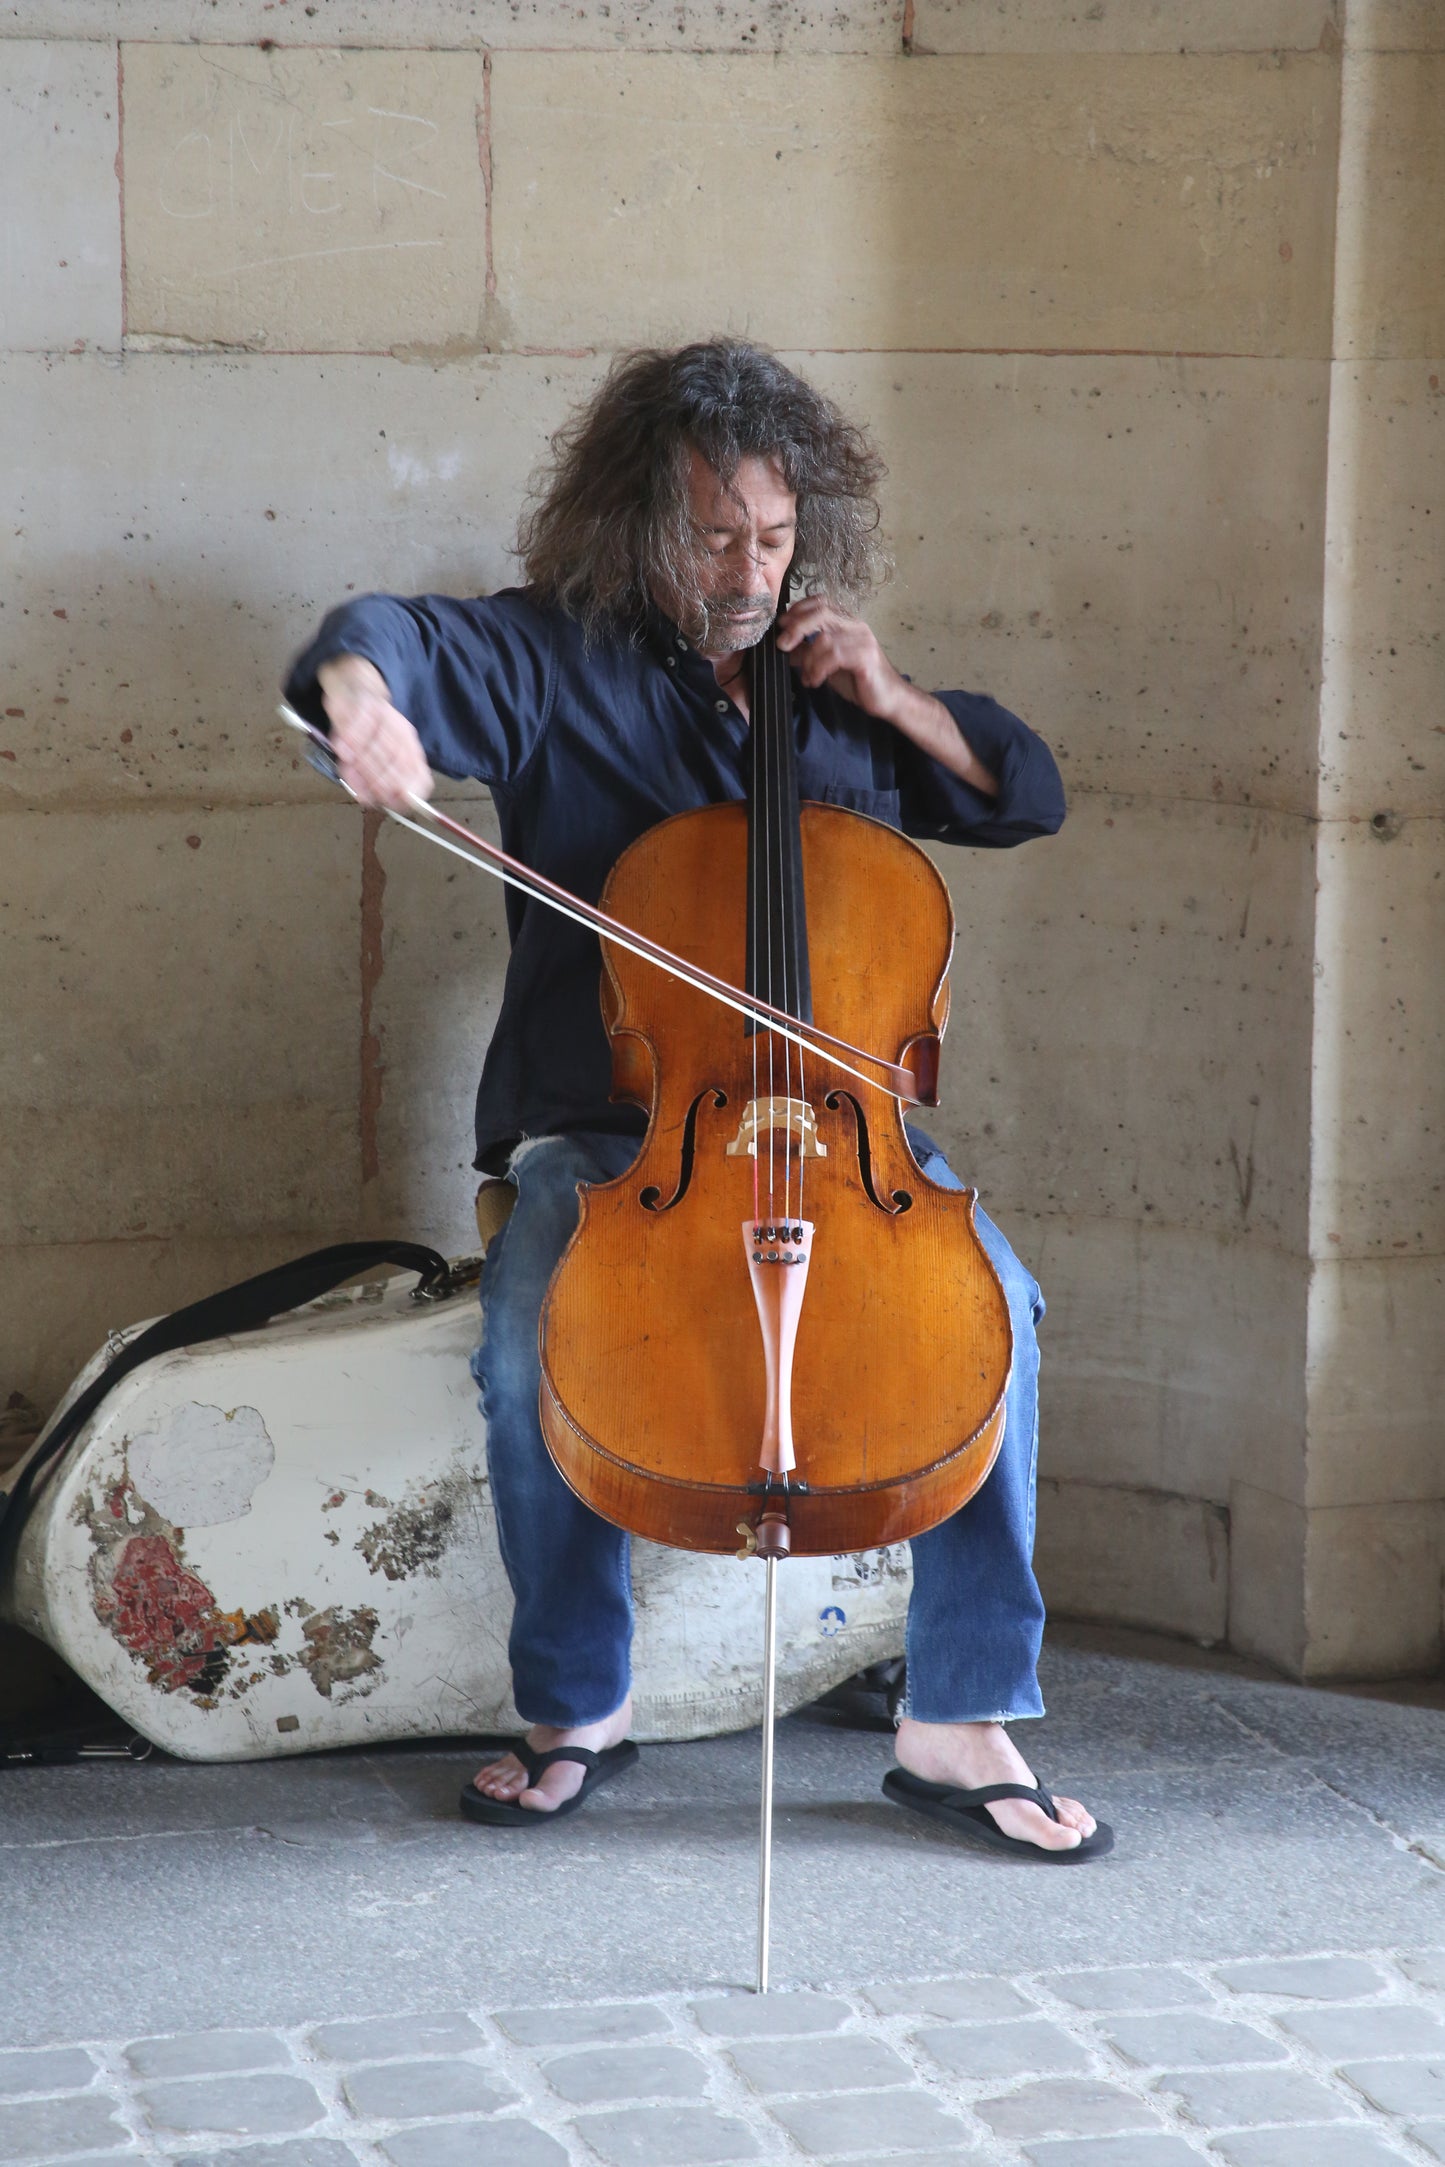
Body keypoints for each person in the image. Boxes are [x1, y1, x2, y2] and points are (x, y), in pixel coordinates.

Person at [284, 339, 1111, 1861]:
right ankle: (573, 1705)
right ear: (635, 525)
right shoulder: (547, 656)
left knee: (999, 1316)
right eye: (714, 536)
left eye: (774, 538)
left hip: (847, 1139)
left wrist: (896, 695)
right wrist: (362, 703)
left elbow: (1023, 792)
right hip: (615, 1133)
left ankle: (960, 1716)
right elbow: (378, 636)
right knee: (534, 1344)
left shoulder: (829, 687)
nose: (747, 569)